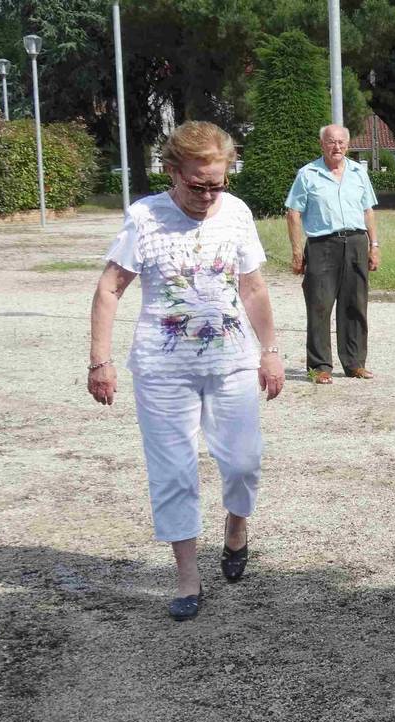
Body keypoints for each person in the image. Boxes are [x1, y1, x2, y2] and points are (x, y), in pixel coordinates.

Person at [87, 121, 284, 621]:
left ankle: (236, 526)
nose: (209, 196)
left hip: (231, 361)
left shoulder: (236, 213)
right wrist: (100, 360)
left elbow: (253, 287)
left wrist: (270, 350)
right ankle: (187, 575)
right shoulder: (145, 217)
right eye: (198, 186)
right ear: (172, 172)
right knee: (174, 470)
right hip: (163, 369)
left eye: (218, 184)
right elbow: (110, 288)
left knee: (243, 461)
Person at [285, 124, 380, 383]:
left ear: (347, 145)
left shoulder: (359, 172)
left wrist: (374, 246)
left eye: (341, 142)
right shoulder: (308, 174)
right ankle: (320, 366)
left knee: (355, 304)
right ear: (322, 144)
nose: (336, 146)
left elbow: (368, 211)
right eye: (331, 142)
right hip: (322, 244)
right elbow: (293, 213)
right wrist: (297, 252)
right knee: (319, 304)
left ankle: (354, 363)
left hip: (356, 242)